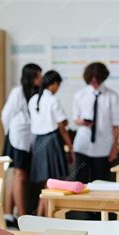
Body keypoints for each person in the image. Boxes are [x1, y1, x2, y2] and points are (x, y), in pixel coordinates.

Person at [28, 70, 75, 216]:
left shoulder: (33, 99)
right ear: (54, 84)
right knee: (52, 183)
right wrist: (71, 147)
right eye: (58, 85)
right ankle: (45, 216)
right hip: (52, 142)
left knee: (47, 184)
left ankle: (41, 216)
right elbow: (62, 128)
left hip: (39, 142)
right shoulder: (54, 100)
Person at [1, 63, 42, 226]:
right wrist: (9, 134)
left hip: (27, 139)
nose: (40, 78)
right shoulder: (17, 92)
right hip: (17, 138)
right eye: (38, 75)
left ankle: (8, 212)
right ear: (30, 77)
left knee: (17, 175)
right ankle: (22, 216)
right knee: (20, 176)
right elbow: (5, 115)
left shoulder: (36, 92)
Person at [72, 62, 119, 183]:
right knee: (80, 182)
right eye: (91, 80)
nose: (94, 83)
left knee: (100, 182)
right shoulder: (80, 95)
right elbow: (75, 119)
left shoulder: (112, 96)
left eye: (97, 80)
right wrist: (82, 122)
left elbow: (116, 125)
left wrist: (114, 148)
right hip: (82, 145)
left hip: (103, 147)